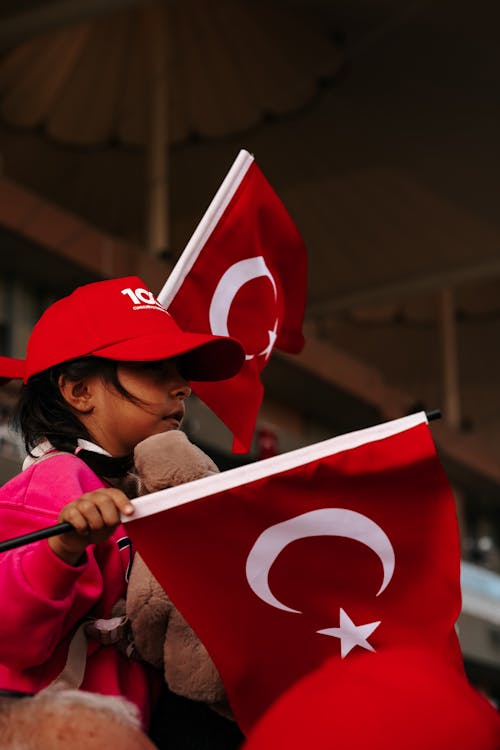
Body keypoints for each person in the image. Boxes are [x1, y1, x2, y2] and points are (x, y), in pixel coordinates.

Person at [0, 275, 245, 744]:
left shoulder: (140, 487)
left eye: (181, 372)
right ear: (78, 391)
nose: (182, 388)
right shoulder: (50, 482)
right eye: (156, 369)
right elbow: (9, 635)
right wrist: (61, 548)